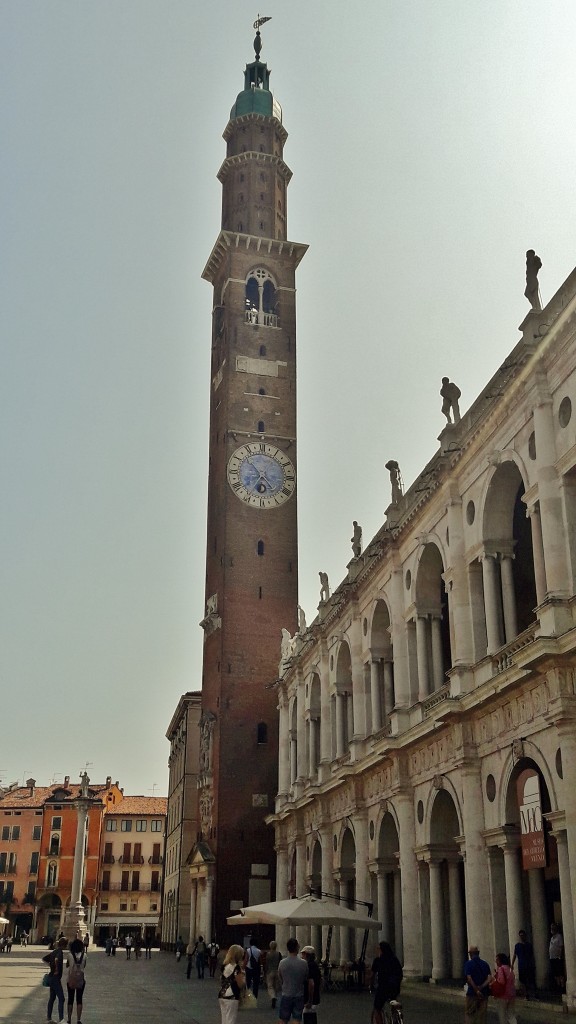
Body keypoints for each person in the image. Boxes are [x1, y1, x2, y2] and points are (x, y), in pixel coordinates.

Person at [369, 941, 403, 1024]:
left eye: (378, 949)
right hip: (395, 987)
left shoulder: (378, 960)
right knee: (393, 1000)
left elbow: (372, 975)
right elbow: (400, 973)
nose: (377, 951)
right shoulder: (394, 959)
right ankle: (396, 1017)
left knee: (377, 1008)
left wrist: (370, 985)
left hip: (383, 987)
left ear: (381, 950)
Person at [278, 937, 309, 1024]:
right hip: (299, 994)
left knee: (283, 1019)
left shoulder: (282, 963)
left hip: (286, 994)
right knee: (296, 1018)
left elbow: (280, 977)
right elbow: (305, 977)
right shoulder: (303, 963)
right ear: (297, 947)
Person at [218, 943, 246, 1024]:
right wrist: (244, 979)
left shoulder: (224, 966)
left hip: (222, 994)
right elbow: (240, 984)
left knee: (224, 1020)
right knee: (231, 1020)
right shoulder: (236, 968)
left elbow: (222, 980)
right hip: (232, 995)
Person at [43, 935, 67, 1023]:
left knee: (52, 998)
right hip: (56, 978)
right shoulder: (60, 952)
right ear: (65, 945)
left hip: (51, 977)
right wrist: (56, 969)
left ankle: (49, 1017)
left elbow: (44, 959)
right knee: (61, 998)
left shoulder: (54, 951)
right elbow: (57, 959)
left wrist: (50, 965)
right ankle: (61, 1019)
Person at [464, 945, 491, 1024]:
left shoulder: (468, 964)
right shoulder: (485, 964)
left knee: (470, 1014)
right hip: (484, 993)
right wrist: (481, 987)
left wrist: (476, 990)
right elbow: (489, 978)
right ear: (478, 953)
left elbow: (469, 978)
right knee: (482, 1015)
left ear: (470, 954)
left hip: (472, 993)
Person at [491, 952, 517, 1024]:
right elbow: (513, 979)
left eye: (497, 960)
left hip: (503, 995)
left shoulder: (501, 969)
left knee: (502, 1015)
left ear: (500, 960)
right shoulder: (509, 968)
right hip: (511, 994)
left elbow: (501, 981)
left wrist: (494, 981)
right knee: (511, 1015)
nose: (496, 961)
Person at [66, 936, 86, 1024]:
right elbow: (84, 965)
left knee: (70, 999)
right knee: (79, 999)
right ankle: (78, 1019)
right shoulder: (84, 955)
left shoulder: (70, 955)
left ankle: (69, 1019)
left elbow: (67, 965)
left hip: (71, 978)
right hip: (80, 979)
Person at [511, 929, 536, 999]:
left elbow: (531, 955)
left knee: (530, 980)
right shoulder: (517, 946)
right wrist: (512, 964)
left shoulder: (529, 945)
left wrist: (533, 964)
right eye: (520, 936)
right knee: (523, 981)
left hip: (529, 965)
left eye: (523, 935)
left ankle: (533, 993)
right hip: (521, 965)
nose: (522, 937)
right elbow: (514, 955)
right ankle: (526, 994)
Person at [300, 945, 321, 1017]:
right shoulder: (314, 965)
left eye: (302, 954)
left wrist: (310, 1001)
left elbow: (311, 983)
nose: (301, 956)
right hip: (314, 998)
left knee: (308, 1018)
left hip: (310, 1000)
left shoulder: (309, 966)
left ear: (306, 954)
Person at [265, 940, 282, 1009]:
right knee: (276, 986)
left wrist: (265, 971)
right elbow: (280, 963)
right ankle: (275, 996)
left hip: (270, 971)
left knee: (270, 986)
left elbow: (266, 963)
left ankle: (273, 997)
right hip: (277, 971)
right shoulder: (279, 954)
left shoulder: (268, 954)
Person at [549, 922, 564, 992]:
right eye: (551, 928)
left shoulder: (559, 936)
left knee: (560, 973)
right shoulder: (552, 938)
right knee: (555, 974)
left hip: (558, 958)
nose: (552, 929)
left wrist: (560, 956)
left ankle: (562, 986)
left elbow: (561, 946)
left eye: (553, 927)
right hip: (552, 958)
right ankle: (558, 986)